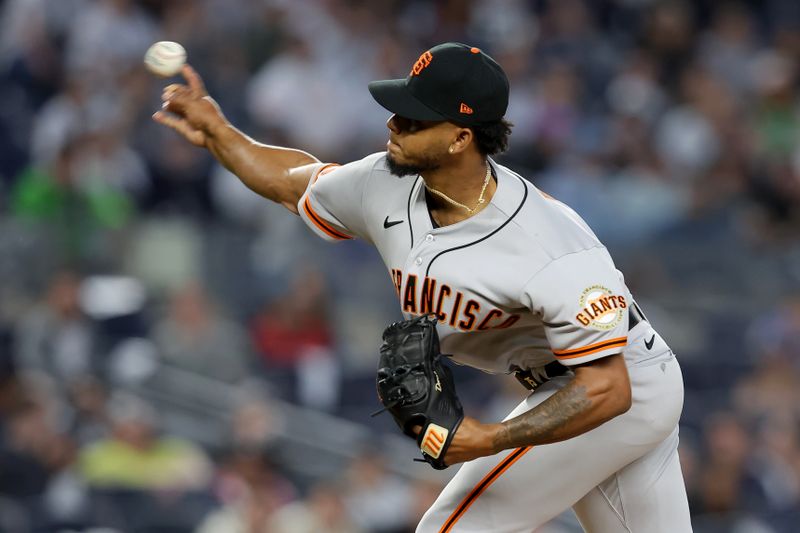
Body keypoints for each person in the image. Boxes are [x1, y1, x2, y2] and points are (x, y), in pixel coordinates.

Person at [154, 42, 692, 532]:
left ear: (461, 137)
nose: (394, 123)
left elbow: (609, 389)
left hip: (616, 387)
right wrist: (220, 132)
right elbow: (289, 181)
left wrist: (489, 438)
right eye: (398, 108)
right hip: (588, 385)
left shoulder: (551, 245)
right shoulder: (383, 183)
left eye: (415, 117)